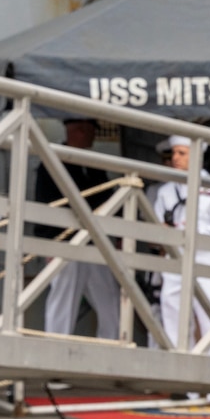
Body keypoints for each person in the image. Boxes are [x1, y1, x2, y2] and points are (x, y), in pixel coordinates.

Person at [38, 118, 120, 341]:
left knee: (111, 301)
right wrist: (50, 243)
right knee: (63, 300)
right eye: (90, 131)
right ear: (79, 130)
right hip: (65, 242)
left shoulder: (93, 164)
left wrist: (119, 233)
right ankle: (53, 355)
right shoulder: (54, 159)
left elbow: (108, 200)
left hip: (95, 244)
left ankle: (110, 353)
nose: (92, 137)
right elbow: (47, 203)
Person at [151, 136, 210, 357]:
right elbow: (157, 232)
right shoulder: (165, 191)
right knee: (174, 317)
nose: (175, 158)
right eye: (174, 153)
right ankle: (180, 380)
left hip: (205, 262)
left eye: (182, 153)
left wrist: (191, 231)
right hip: (174, 262)